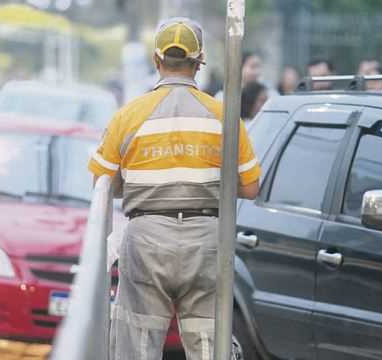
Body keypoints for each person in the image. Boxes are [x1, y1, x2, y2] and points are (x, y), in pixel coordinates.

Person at [88, 17, 261, 360]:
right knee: (212, 346)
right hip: (207, 241)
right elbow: (251, 187)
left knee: (136, 345)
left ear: (156, 60)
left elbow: (102, 183)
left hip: (146, 239)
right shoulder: (224, 116)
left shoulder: (129, 115)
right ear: (199, 64)